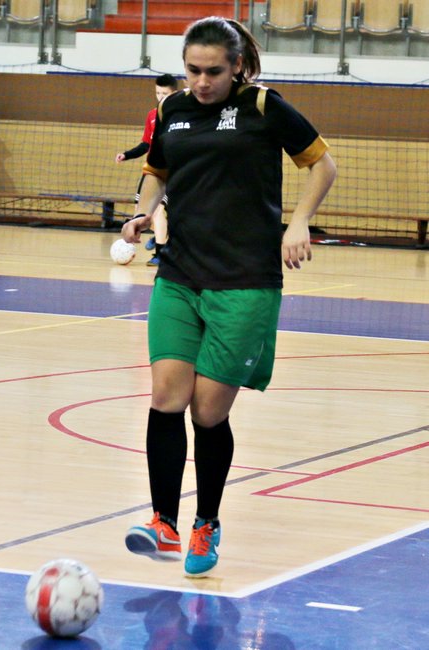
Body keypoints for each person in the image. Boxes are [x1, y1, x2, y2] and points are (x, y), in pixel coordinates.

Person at [122, 16, 336, 578]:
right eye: (193, 70)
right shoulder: (174, 110)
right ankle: (163, 522)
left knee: (207, 411)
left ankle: (206, 522)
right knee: (166, 398)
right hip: (179, 274)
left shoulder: (264, 107)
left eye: (213, 71)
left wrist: (299, 222)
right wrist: (144, 212)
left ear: (236, 65)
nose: (201, 81)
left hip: (244, 282)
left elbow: (323, 164)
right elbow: (156, 171)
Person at [115, 73, 178, 266]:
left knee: (159, 214)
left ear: (174, 93)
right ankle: (161, 238)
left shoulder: (180, 115)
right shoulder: (153, 115)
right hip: (152, 173)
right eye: (158, 93)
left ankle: (160, 252)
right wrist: (127, 154)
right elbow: (146, 144)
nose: (161, 97)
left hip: (173, 173)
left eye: (165, 94)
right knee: (141, 214)